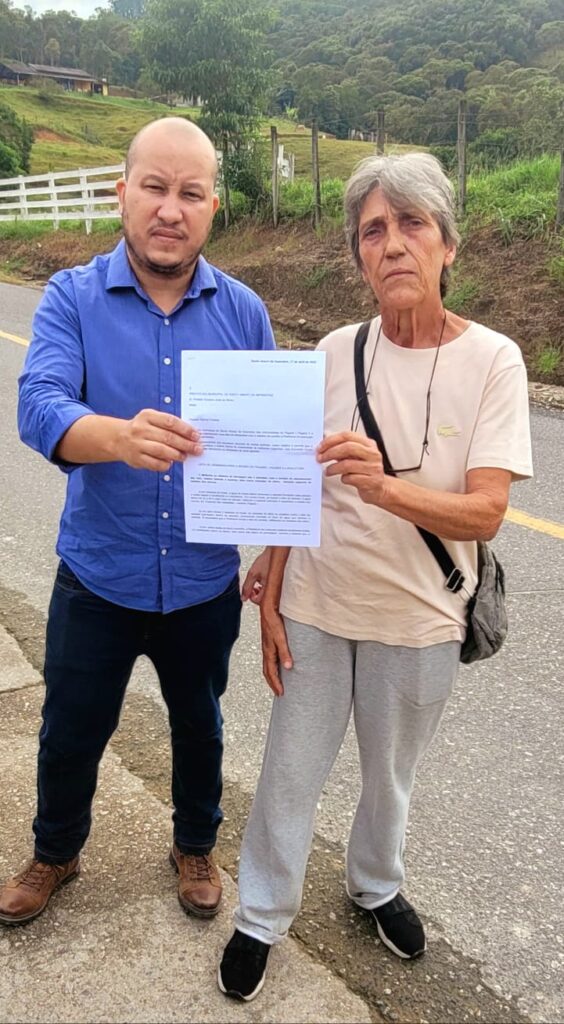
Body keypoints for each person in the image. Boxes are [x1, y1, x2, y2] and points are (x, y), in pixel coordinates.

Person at [218, 152, 533, 1001]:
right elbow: (295, 482)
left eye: (411, 224)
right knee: (290, 768)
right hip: (318, 604)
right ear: (359, 254)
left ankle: (376, 885)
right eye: (372, 230)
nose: (392, 244)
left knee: (390, 777)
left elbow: (486, 513)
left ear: (447, 244)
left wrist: (384, 487)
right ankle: (261, 914)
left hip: (423, 617)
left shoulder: (494, 361)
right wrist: (272, 588)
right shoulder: (332, 352)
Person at [0, 117, 274, 927]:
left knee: (201, 726)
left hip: (202, 579)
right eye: (154, 187)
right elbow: (39, 404)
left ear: (213, 207)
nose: (170, 209)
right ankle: (56, 852)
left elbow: (272, 445)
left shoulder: (246, 314)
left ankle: (196, 845)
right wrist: (116, 438)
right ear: (123, 193)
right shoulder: (71, 298)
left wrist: (280, 541)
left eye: (191, 193)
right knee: (70, 728)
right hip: (98, 574)